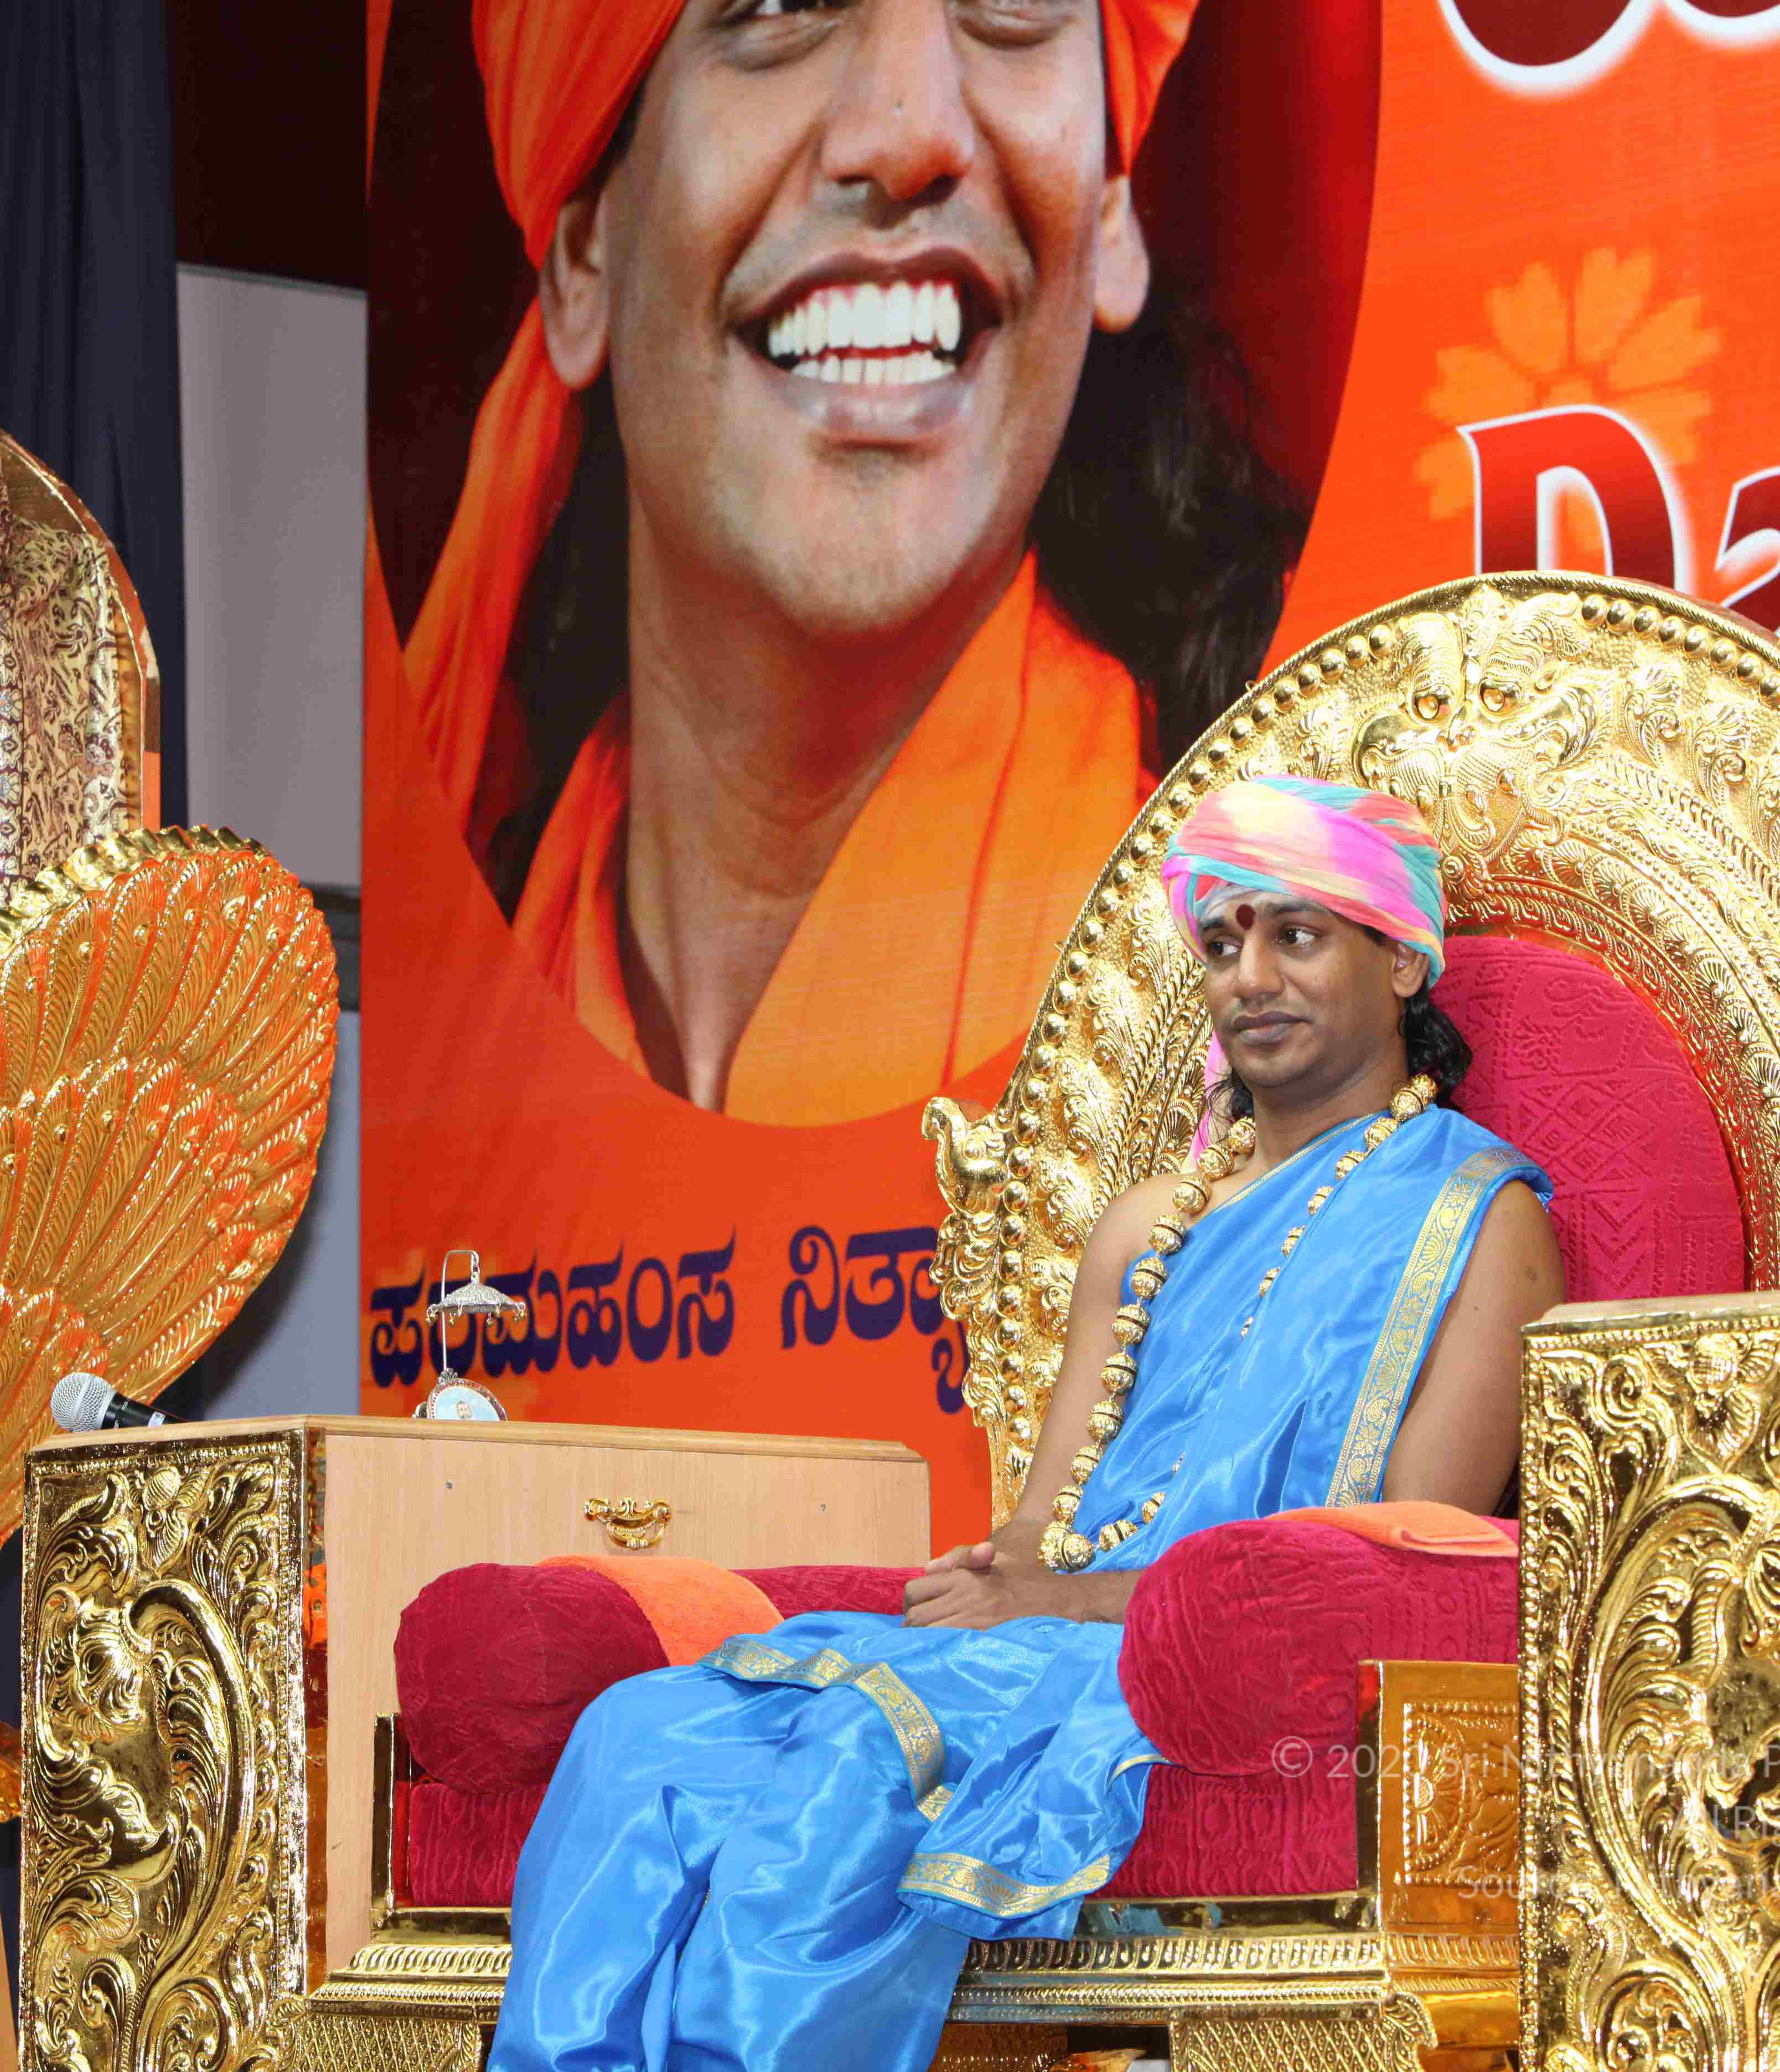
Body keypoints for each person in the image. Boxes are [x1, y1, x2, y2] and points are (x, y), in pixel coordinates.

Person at [490, 776, 1566, 2072]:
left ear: (1401, 960)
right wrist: (996, 1582)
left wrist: (1057, 1603)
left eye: (1297, 935)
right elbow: (1040, 1530)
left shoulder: (1479, 1219)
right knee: (640, 1734)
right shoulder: (1150, 1226)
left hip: (1205, 1671)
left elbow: (1395, 1565)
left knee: (852, 1764)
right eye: (1221, 943)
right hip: (1058, 1635)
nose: (1249, 978)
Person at [399, 0, 1304, 1125]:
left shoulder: (1275, 1005)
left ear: (1112, 210)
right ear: (586, 256)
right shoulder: (445, 1073)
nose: (910, 132)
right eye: (783, 5)